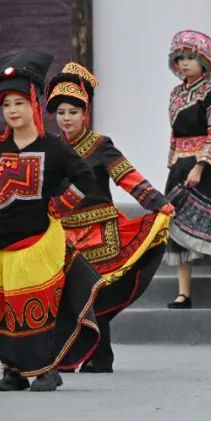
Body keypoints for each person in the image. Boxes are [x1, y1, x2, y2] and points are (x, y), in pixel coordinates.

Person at [0, 50, 103, 391]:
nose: (12, 110)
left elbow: (85, 178)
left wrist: (61, 204)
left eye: (19, 103)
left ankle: (47, 369)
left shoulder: (53, 147)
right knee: (2, 310)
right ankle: (12, 371)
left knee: (36, 307)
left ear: (34, 105)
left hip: (35, 242)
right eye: (6, 104)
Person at [47, 63, 173, 373]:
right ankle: (65, 355)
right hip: (62, 233)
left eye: (73, 112)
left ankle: (100, 356)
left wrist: (158, 202)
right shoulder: (50, 148)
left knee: (94, 292)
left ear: (85, 114)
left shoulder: (100, 145)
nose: (66, 118)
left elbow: (126, 176)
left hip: (99, 232)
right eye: (61, 112)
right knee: (65, 295)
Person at [163, 30, 211, 309]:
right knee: (176, 227)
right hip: (179, 166)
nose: (184, 63)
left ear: (204, 62)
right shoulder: (176, 93)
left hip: (206, 166)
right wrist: (173, 163)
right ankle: (183, 292)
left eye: (191, 58)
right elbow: (174, 134)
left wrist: (201, 166)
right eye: (180, 58)